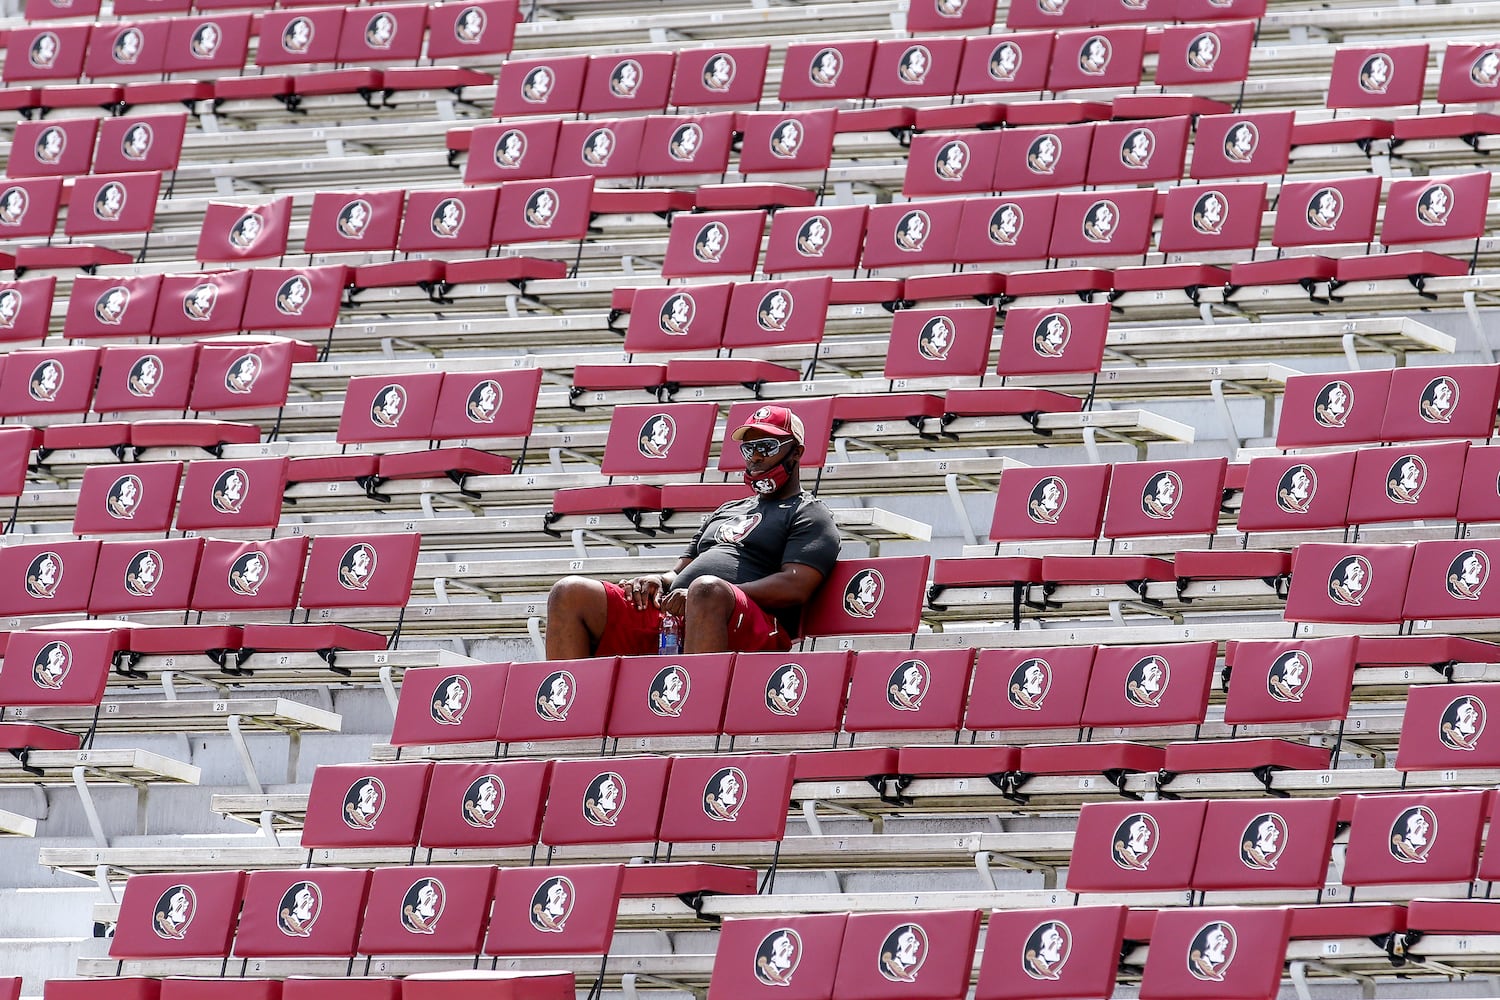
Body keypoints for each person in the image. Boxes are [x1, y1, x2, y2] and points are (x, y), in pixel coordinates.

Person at [547, 406, 841, 658]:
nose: (755, 457)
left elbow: (795, 586)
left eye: (767, 447)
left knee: (707, 589)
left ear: (796, 452)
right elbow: (678, 574)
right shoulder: (727, 509)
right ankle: (571, 717)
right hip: (681, 613)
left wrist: (701, 594)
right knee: (570, 592)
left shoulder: (808, 511)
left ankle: (696, 714)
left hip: (750, 625)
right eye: (749, 448)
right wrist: (657, 582)